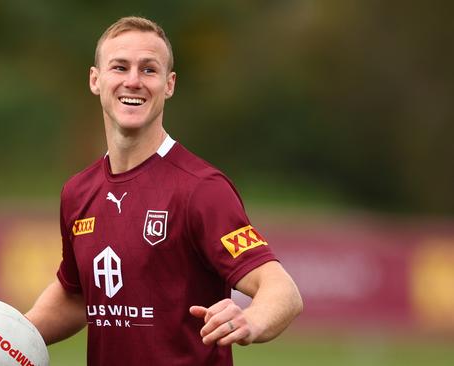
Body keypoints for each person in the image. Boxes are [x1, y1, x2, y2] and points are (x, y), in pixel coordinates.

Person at [25, 16, 303, 365]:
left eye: (149, 70)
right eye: (120, 67)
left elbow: (282, 290)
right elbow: (76, 294)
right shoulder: (78, 192)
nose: (133, 81)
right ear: (96, 80)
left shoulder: (200, 189)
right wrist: (12, 335)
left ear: (169, 85)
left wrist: (250, 320)